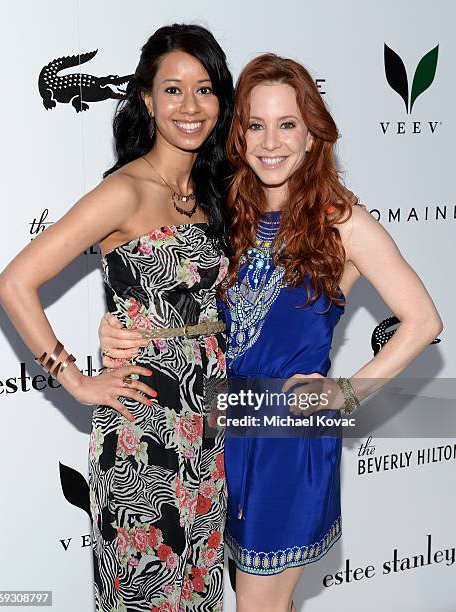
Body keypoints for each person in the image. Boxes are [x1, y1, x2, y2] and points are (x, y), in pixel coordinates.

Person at [98, 53, 443, 612]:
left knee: (257, 605)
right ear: (239, 135)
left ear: (313, 136)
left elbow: (424, 321)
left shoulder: (342, 222)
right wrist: (129, 329)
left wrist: (344, 393)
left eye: (288, 125)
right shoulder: (228, 212)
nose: (270, 142)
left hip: (287, 440)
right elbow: (212, 317)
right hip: (216, 431)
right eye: (256, 125)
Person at [0, 23, 234, 612]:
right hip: (143, 431)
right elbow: (14, 282)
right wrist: (75, 379)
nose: (190, 106)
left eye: (204, 89)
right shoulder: (124, 192)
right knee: (146, 594)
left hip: (208, 425)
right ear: (147, 100)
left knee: (200, 593)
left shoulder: (213, 191)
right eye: (172, 89)